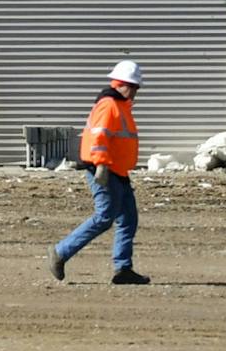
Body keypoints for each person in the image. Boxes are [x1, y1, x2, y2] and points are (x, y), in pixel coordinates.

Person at [48, 60, 150, 285]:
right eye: (132, 87)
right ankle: (60, 252)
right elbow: (98, 136)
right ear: (121, 84)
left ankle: (123, 269)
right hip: (104, 170)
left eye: (137, 88)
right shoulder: (109, 105)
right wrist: (102, 164)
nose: (135, 93)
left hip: (118, 171)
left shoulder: (121, 106)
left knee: (128, 220)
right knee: (105, 217)